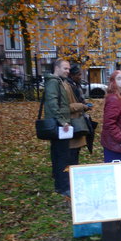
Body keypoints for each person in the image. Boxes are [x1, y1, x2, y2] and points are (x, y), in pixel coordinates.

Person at [43, 59, 72, 197]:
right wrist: (63, 121)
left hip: (60, 123)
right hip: (60, 125)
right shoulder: (54, 82)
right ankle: (63, 187)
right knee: (62, 156)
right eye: (65, 68)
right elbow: (52, 103)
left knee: (58, 155)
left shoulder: (57, 81)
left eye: (68, 69)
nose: (68, 71)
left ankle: (60, 185)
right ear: (56, 67)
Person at [100, 70, 121, 162]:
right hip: (115, 145)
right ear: (113, 82)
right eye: (119, 79)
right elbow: (109, 123)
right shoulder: (113, 99)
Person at [66, 64, 91, 166]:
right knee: (72, 151)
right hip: (73, 123)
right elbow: (66, 107)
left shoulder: (76, 85)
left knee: (76, 151)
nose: (80, 77)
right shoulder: (68, 86)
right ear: (72, 75)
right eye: (78, 75)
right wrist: (82, 106)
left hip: (78, 121)